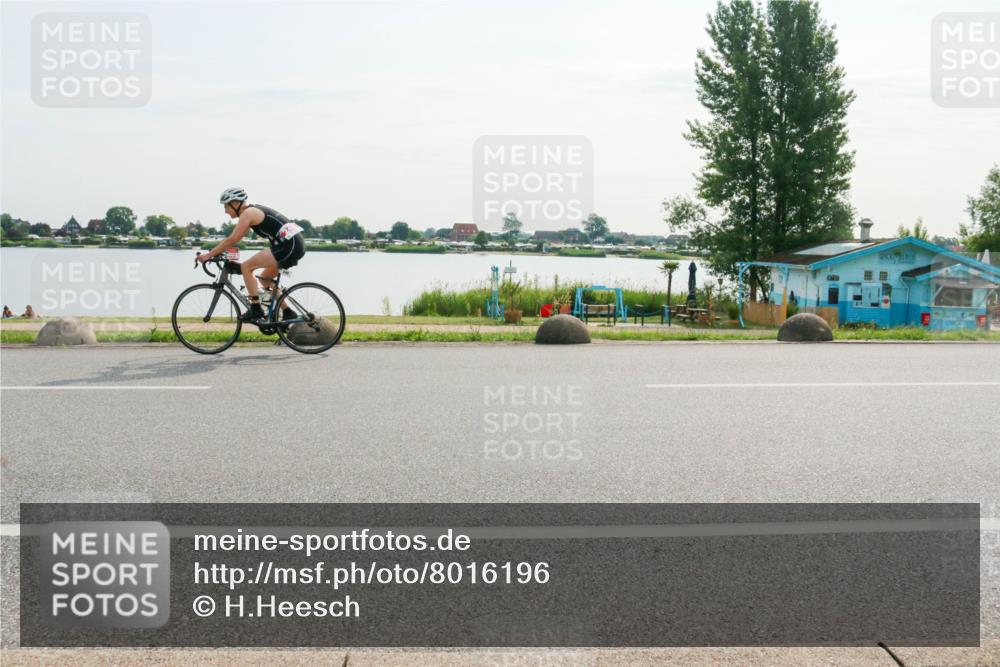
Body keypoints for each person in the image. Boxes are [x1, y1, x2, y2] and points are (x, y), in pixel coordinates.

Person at [198, 188, 306, 323]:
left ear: (235, 203)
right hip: (291, 245)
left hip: (289, 246)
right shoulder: (252, 211)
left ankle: (255, 308)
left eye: (226, 206)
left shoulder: (248, 213)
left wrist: (209, 255)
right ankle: (288, 313)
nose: (225, 211)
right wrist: (218, 252)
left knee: (246, 267)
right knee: (265, 279)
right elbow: (236, 238)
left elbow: (233, 239)